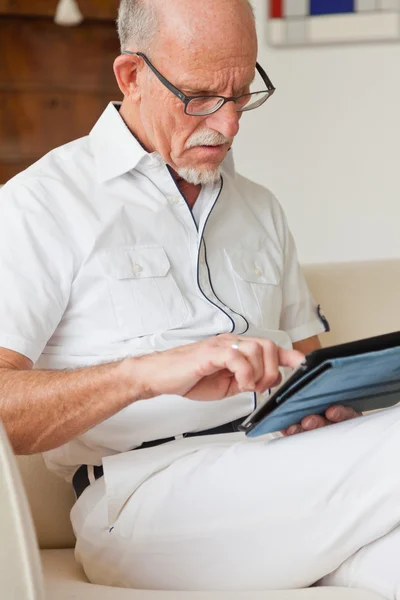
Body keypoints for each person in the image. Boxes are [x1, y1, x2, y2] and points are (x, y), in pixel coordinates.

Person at [0, 0, 399, 596]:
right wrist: (145, 374)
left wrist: (326, 409)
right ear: (132, 76)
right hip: (141, 499)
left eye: (241, 94)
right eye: (201, 96)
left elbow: (313, 368)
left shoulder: (261, 208)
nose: (230, 123)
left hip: (286, 478)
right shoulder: (41, 205)